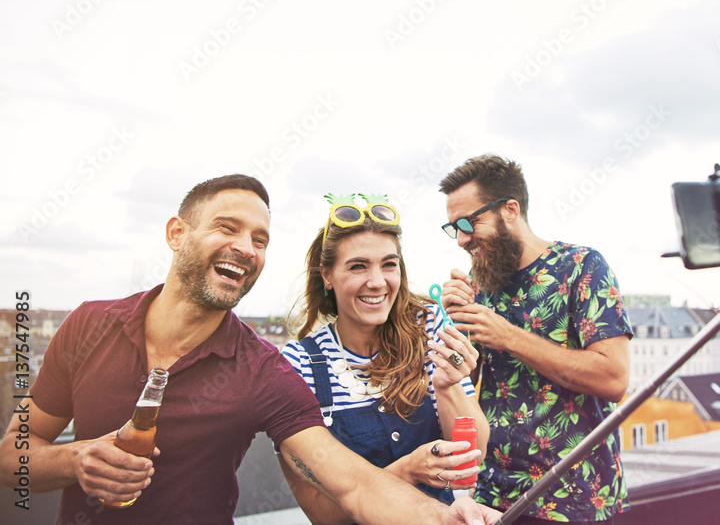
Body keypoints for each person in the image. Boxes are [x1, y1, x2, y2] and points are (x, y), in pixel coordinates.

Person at [0, 174, 499, 525]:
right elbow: (12, 460)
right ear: (177, 233)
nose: (247, 247)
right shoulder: (88, 324)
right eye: (227, 227)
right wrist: (77, 460)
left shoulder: (263, 371)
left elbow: (354, 486)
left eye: (260, 239)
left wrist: (444, 517)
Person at [439, 155, 632, 523]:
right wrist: (457, 330)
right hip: (494, 499)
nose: (462, 239)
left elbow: (613, 379)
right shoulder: (478, 282)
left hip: (577, 501)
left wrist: (508, 336)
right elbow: (468, 388)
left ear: (510, 209)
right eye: (454, 228)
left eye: (469, 222)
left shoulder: (582, 266)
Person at [279, 193, 489, 522]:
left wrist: (447, 387)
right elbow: (323, 514)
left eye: (388, 264)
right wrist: (408, 469)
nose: (377, 282)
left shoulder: (429, 327)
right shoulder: (298, 365)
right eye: (358, 266)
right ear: (327, 275)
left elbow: (474, 455)